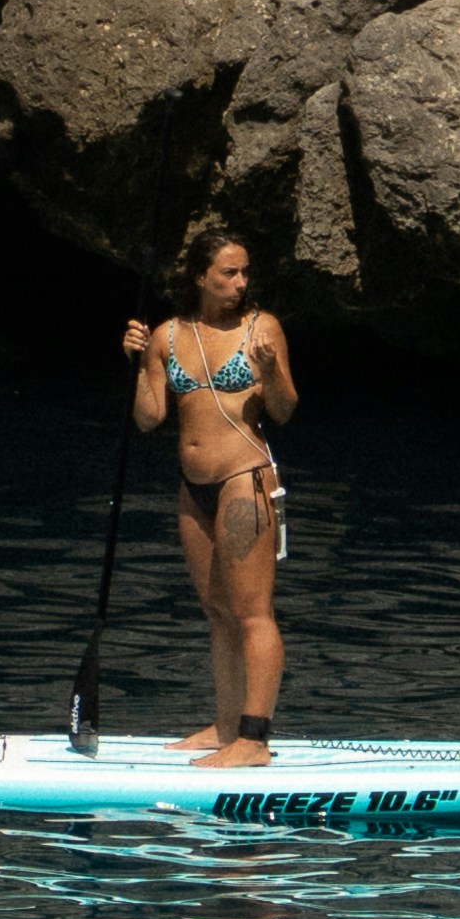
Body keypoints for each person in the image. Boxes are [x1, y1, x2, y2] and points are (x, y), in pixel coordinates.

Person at [122, 221, 299, 765]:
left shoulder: (261, 328)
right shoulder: (168, 336)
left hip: (244, 480)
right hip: (193, 488)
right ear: (201, 277)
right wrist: (137, 363)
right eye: (229, 272)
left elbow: (285, 410)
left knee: (252, 613)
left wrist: (270, 375)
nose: (241, 281)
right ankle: (225, 727)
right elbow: (149, 418)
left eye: (245, 272)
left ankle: (254, 738)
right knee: (217, 610)